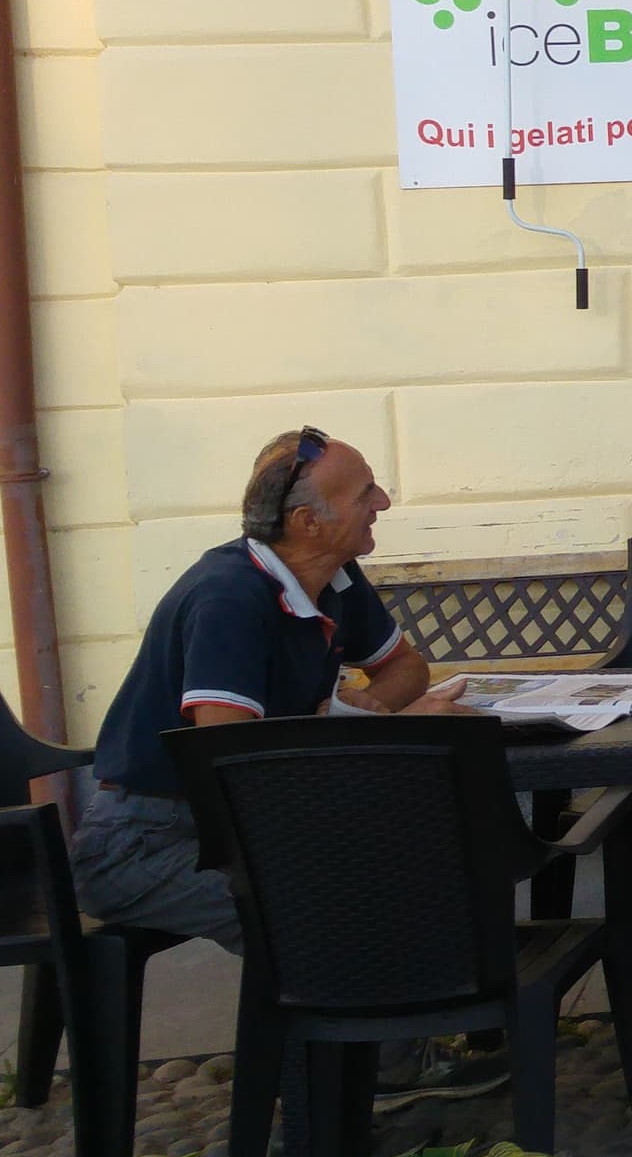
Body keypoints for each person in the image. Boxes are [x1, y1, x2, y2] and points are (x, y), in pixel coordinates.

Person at [75, 427, 500, 1105]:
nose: (384, 501)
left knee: (407, 854)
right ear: (307, 522)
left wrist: (376, 716)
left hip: (232, 825)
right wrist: (382, 727)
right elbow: (231, 763)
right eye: (366, 494)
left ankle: (390, 1061)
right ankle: (308, 1126)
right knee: (312, 902)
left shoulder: (331, 573)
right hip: (144, 844)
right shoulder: (229, 599)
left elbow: (406, 668)